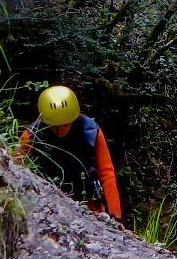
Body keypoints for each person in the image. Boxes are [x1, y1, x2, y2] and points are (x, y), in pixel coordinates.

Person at [16, 85, 122, 219]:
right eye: (55, 127)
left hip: (86, 202)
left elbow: (106, 172)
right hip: (46, 202)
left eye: (65, 125)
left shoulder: (89, 130)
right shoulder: (32, 135)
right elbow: (15, 168)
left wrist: (115, 215)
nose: (60, 131)